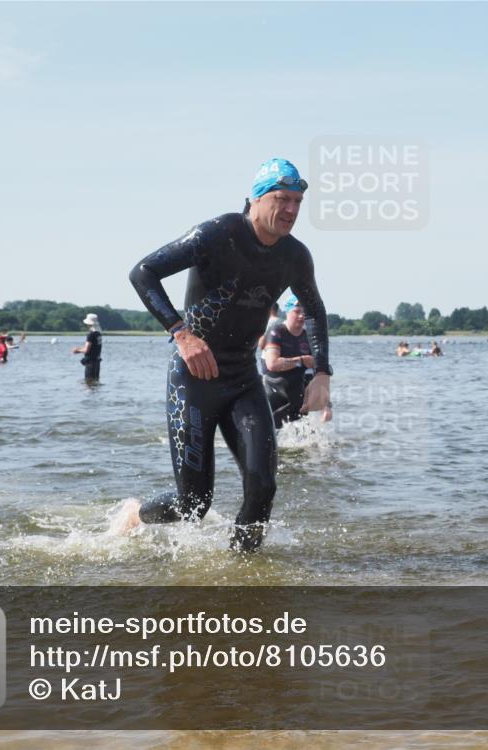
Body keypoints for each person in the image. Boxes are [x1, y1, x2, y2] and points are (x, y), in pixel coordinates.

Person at [122, 157, 332, 551]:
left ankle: (242, 574)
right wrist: (180, 333)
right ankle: (136, 515)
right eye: (282, 199)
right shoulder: (218, 234)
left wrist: (322, 372)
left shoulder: (295, 256)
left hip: (242, 381)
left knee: (263, 487)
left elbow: (316, 310)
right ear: (255, 200)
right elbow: (143, 272)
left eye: (297, 202)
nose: (290, 210)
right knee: (192, 503)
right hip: (193, 379)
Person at [263, 296, 332, 428]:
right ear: (287, 311)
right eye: (297, 312)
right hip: (275, 389)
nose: (301, 316)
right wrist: (300, 361)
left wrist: (326, 406)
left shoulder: (309, 338)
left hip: (297, 391)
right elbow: (272, 364)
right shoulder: (276, 332)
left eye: (304, 313)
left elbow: (321, 375)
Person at [73, 313, 103, 382]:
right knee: (96, 382)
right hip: (97, 362)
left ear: (89, 324)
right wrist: (80, 349)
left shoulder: (91, 335)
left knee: (88, 383)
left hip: (90, 363)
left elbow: (87, 350)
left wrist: (77, 350)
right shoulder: (98, 334)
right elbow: (93, 348)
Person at [257, 302, 281, 375]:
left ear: (269, 309)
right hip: (280, 358)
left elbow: (261, 344)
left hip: (267, 358)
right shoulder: (283, 321)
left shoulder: (266, 323)